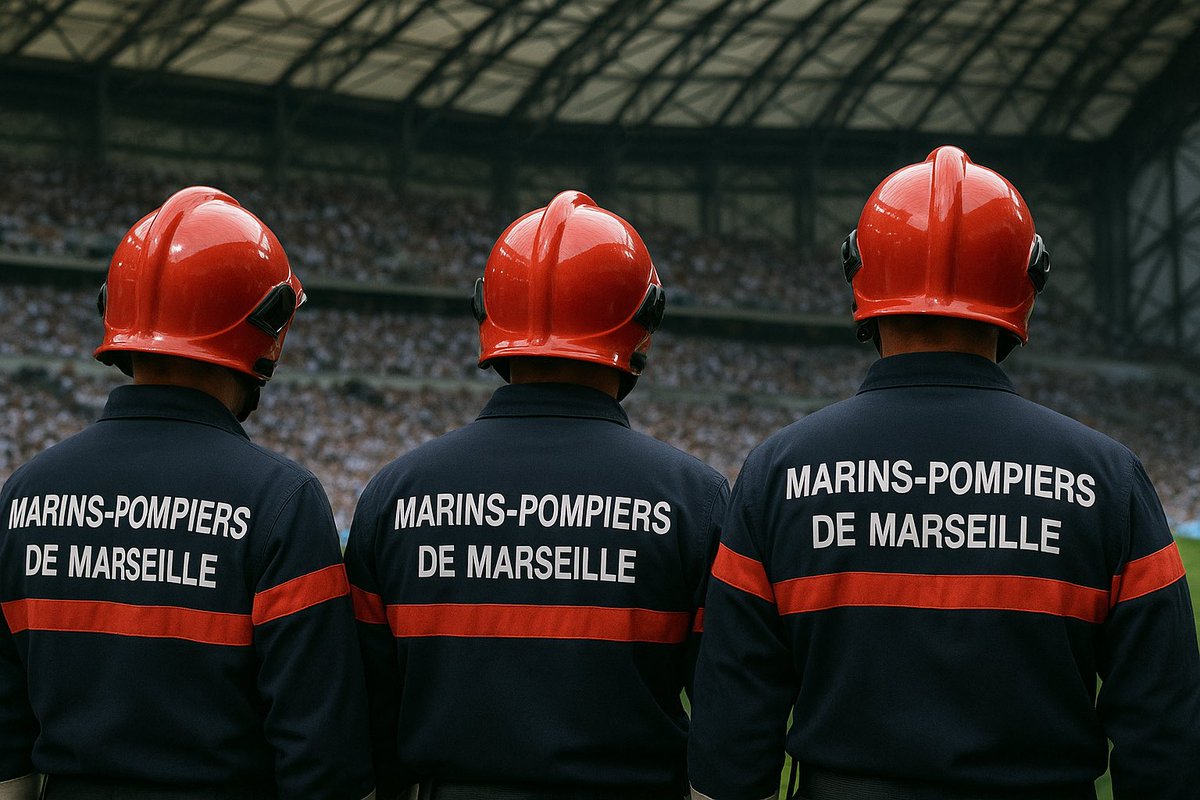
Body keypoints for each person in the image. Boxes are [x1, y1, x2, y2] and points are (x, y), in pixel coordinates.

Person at [687, 146, 1200, 800]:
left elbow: (732, 738)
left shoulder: (776, 470)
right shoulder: (1110, 478)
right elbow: (1164, 732)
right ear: (1025, 289)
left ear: (861, 281)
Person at [345, 190, 729, 800]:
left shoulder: (393, 495)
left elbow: (362, 724)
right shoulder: (694, 499)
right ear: (641, 328)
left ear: (490, 317)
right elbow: (728, 723)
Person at [0, 187, 375, 800]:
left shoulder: (23, 496)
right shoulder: (281, 500)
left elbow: (6, 741)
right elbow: (321, 753)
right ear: (266, 329)